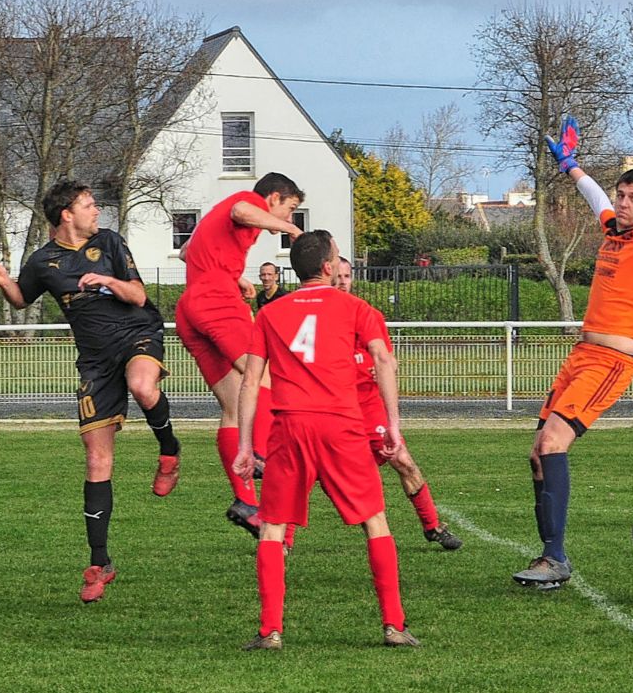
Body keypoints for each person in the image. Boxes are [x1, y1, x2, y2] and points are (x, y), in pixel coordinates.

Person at [511, 86, 633, 590]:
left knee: (553, 442)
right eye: (622, 194)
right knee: (537, 452)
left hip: (611, 361)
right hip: (581, 355)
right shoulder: (613, 226)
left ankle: (555, 559)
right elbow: (593, 194)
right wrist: (570, 163)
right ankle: (549, 554)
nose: (623, 201)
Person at [0, 181, 183, 603]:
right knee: (95, 459)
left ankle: (169, 452)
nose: (96, 211)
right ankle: (100, 563)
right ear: (66, 214)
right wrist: (1, 280)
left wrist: (106, 279)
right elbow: (21, 299)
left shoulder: (108, 241)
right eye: (89, 205)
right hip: (94, 360)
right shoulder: (42, 261)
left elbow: (138, 294)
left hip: (136, 333)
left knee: (143, 385)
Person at [231, 230, 415, 650]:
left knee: (273, 527)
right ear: (330, 267)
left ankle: (270, 631)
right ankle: (393, 625)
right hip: (342, 426)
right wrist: (393, 426)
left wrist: (245, 445)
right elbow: (384, 360)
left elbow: (251, 381)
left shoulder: (270, 314)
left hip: (290, 427)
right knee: (375, 520)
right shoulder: (356, 307)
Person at [175, 172, 304, 536]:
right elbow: (242, 210)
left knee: (234, 406)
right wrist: (291, 233)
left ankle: (246, 501)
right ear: (275, 198)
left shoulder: (223, 220)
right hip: (216, 302)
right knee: (264, 373)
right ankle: (258, 452)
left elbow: (188, 252)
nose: (288, 219)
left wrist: (234, 276)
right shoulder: (247, 200)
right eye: (290, 210)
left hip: (191, 307)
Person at [335, 257, 461, 550]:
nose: (342, 281)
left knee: (403, 461)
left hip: (368, 408)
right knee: (306, 471)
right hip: (335, 410)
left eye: (347, 275)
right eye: (337, 275)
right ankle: (282, 539)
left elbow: (387, 361)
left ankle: (432, 526)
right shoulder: (323, 317)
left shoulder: (368, 315)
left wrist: (378, 369)